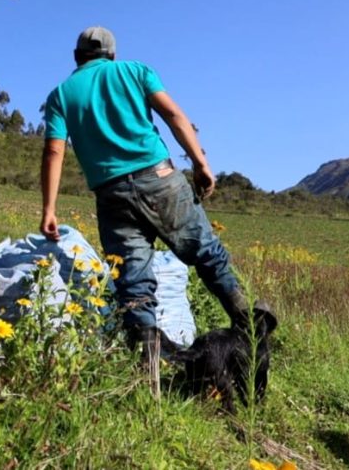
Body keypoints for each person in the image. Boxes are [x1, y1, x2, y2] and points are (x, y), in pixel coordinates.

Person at [39, 26, 269, 360]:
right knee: (207, 252)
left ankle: (149, 374)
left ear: (77, 57)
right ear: (112, 55)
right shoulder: (134, 71)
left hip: (111, 194)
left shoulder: (61, 95)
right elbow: (175, 116)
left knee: (134, 280)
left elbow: (53, 152)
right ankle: (249, 326)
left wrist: (49, 208)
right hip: (160, 179)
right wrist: (200, 163)